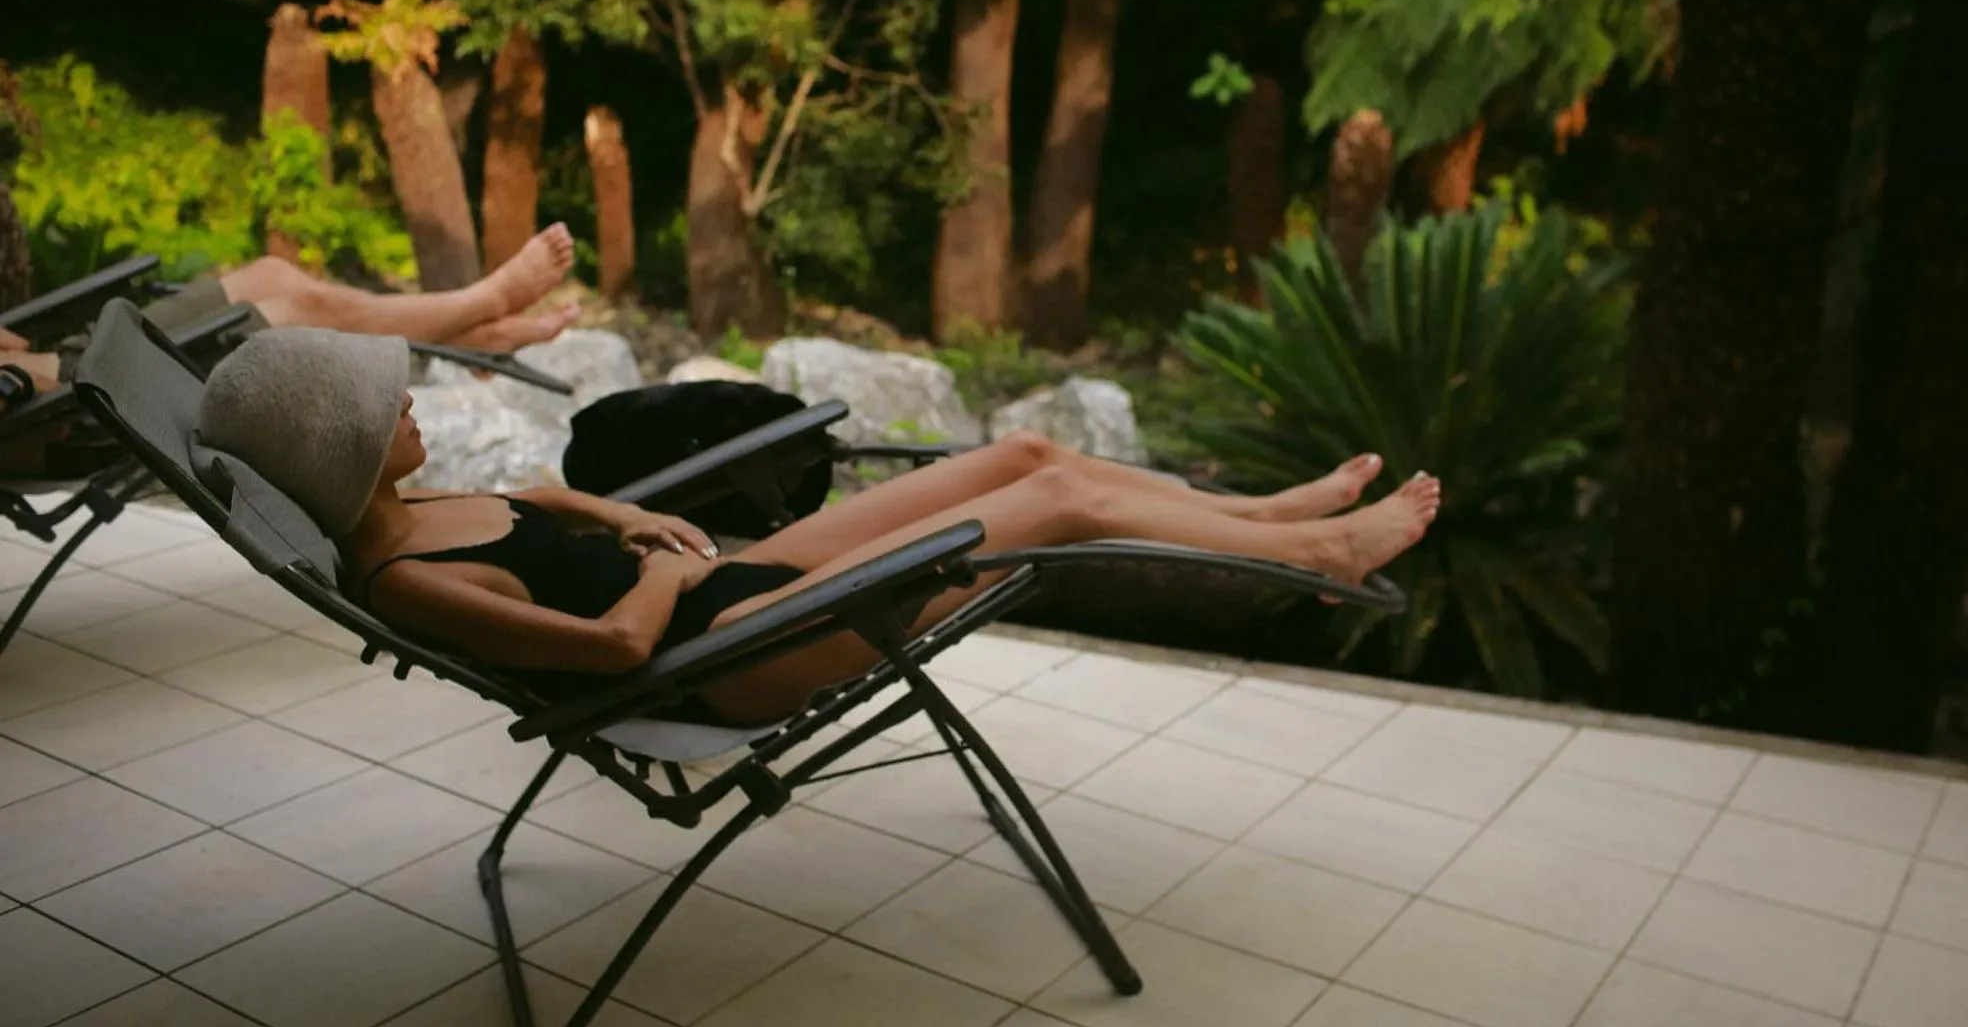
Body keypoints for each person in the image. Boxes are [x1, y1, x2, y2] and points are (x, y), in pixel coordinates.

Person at [196, 326, 1444, 728]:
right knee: (1054, 509)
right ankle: (1321, 554)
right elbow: (617, 660)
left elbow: (546, 502)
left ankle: (1262, 515)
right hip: (721, 656)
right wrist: (657, 573)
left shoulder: (428, 505)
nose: (407, 398)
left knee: (1021, 453)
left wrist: (632, 520)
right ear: (340, 450)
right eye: (382, 403)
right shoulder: (408, 579)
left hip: (726, 587)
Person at [0, 226, 576, 470]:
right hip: (86, 401)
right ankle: (480, 309)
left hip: (69, 358)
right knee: (292, 314)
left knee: (271, 276)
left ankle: (469, 327)